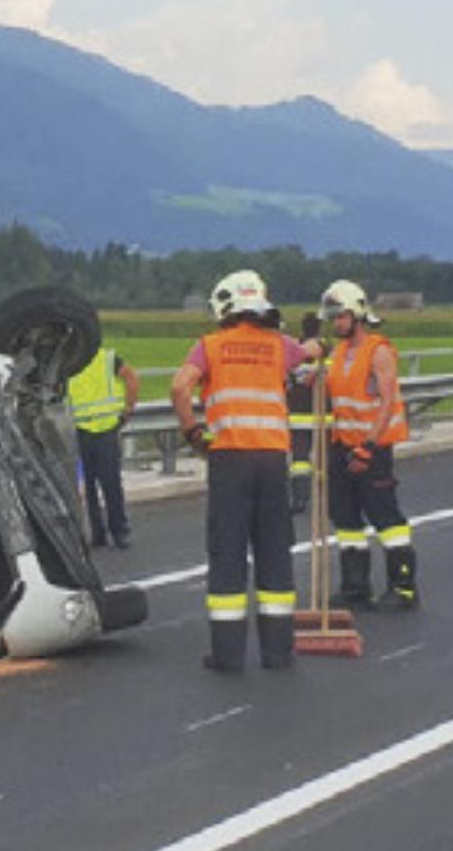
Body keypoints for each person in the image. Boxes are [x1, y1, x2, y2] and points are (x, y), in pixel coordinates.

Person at [171, 269, 314, 673]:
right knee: (274, 552)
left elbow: (181, 387)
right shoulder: (279, 346)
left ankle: (228, 655)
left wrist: (193, 432)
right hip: (272, 461)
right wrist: (316, 341)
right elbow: (310, 356)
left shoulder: (210, 346)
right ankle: (278, 653)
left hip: (229, 459)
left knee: (228, 553)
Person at [320, 279, 418, 610]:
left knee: (385, 517)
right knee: (346, 519)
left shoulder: (379, 351)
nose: (336, 323)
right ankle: (355, 587)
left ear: (358, 314)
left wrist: (369, 447)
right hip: (342, 446)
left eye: (341, 317)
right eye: (333, 318)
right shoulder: (339, 352)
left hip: (371, 449)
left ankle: (403, 586)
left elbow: (388, 401)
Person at [66, 342, 140, 549]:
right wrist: (128, 409)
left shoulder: (97, 359)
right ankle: (108, 533)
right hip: (88, 429)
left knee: (104, 485)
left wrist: (128, 408)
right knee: (98, 485)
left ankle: (114, 532)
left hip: (95, 429)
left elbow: (131, 377)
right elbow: (132, 378)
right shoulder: (79, 360)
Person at [286, 311, 322, 515]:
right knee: (325, 459)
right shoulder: (324, 349)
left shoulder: (294, 350)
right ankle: (326, 498)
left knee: (299, 460)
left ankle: (299, 498)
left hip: (297, 413)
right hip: (319, 413)